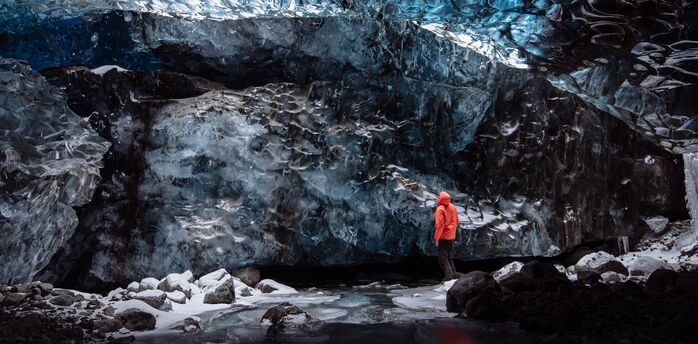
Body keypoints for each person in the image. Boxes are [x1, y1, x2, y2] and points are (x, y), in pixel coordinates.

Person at [434, 191, 459, 281]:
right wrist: (452, 232)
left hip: (443, 237)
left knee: (443, 259)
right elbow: (456, 221)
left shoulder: (440, 209)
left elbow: (439, 225)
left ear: (440, 199)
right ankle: (454, 274)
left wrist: (437, 238)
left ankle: (449, 276)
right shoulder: (453, 207)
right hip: (451, 236)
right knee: (449, 257)